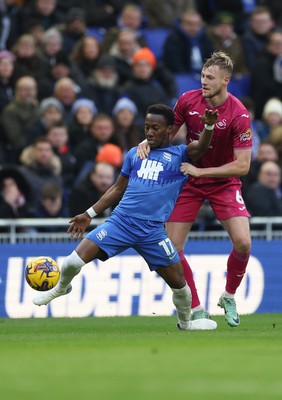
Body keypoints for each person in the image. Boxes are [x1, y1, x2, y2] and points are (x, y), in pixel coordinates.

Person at [33, 103, 218, 331]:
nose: (149, 132)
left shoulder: (180, 154)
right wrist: (89, 214)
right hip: (121, 223)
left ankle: (185, 324)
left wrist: (209, 124)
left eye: (156, 128)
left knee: (181, 287)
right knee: (71, 261)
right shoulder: (135, 154)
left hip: (152, 231)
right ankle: (62, 287)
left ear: (170, 130)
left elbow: (202, 147)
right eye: (147, 127)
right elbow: (117, 189)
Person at [138, 51, 253, 327]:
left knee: (244, 242)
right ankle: (196, 307)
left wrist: (203, 170)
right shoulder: (188, 101)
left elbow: (243, 166)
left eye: (210, 78)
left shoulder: (239, 114)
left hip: (222, 181)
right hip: (188, 180)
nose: (204, 81)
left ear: (226, 80)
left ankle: (228, 296)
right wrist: (146, 142)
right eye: (202, 76)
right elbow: (166, 134)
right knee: (172, 248)